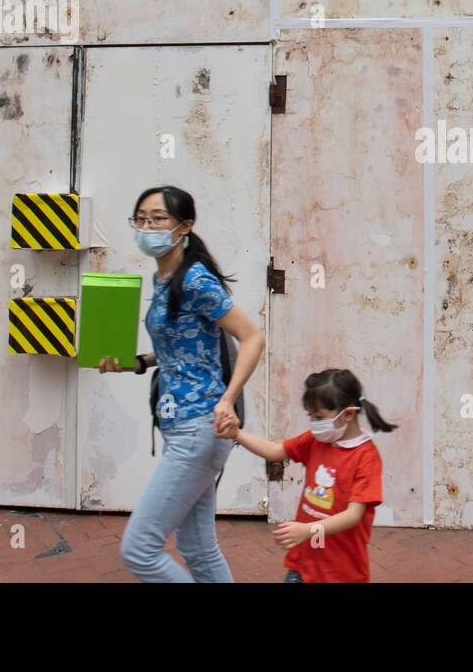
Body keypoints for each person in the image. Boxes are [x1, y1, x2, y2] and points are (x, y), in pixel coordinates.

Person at [103, 185, 266, 582]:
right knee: (197, 548)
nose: (147, 226)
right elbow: (183, 346)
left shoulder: (195, 280)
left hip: (200, 424)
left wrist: (228, 400)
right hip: (183, 426)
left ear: (184, 226)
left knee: (140, 548)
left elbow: (252, 337)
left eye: (158, 218)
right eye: (140, 219)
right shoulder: (166, 278)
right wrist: (137, 363)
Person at [216, 368, 394, 582]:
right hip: (304, 564)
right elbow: (275, 451)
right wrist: (237, 434)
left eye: (319, 417)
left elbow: (353, 515)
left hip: (342, 571)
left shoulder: (366, 457)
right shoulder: (317, 440)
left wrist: (307, 530)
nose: (314, 423)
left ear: (348, 414)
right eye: (311, 416)